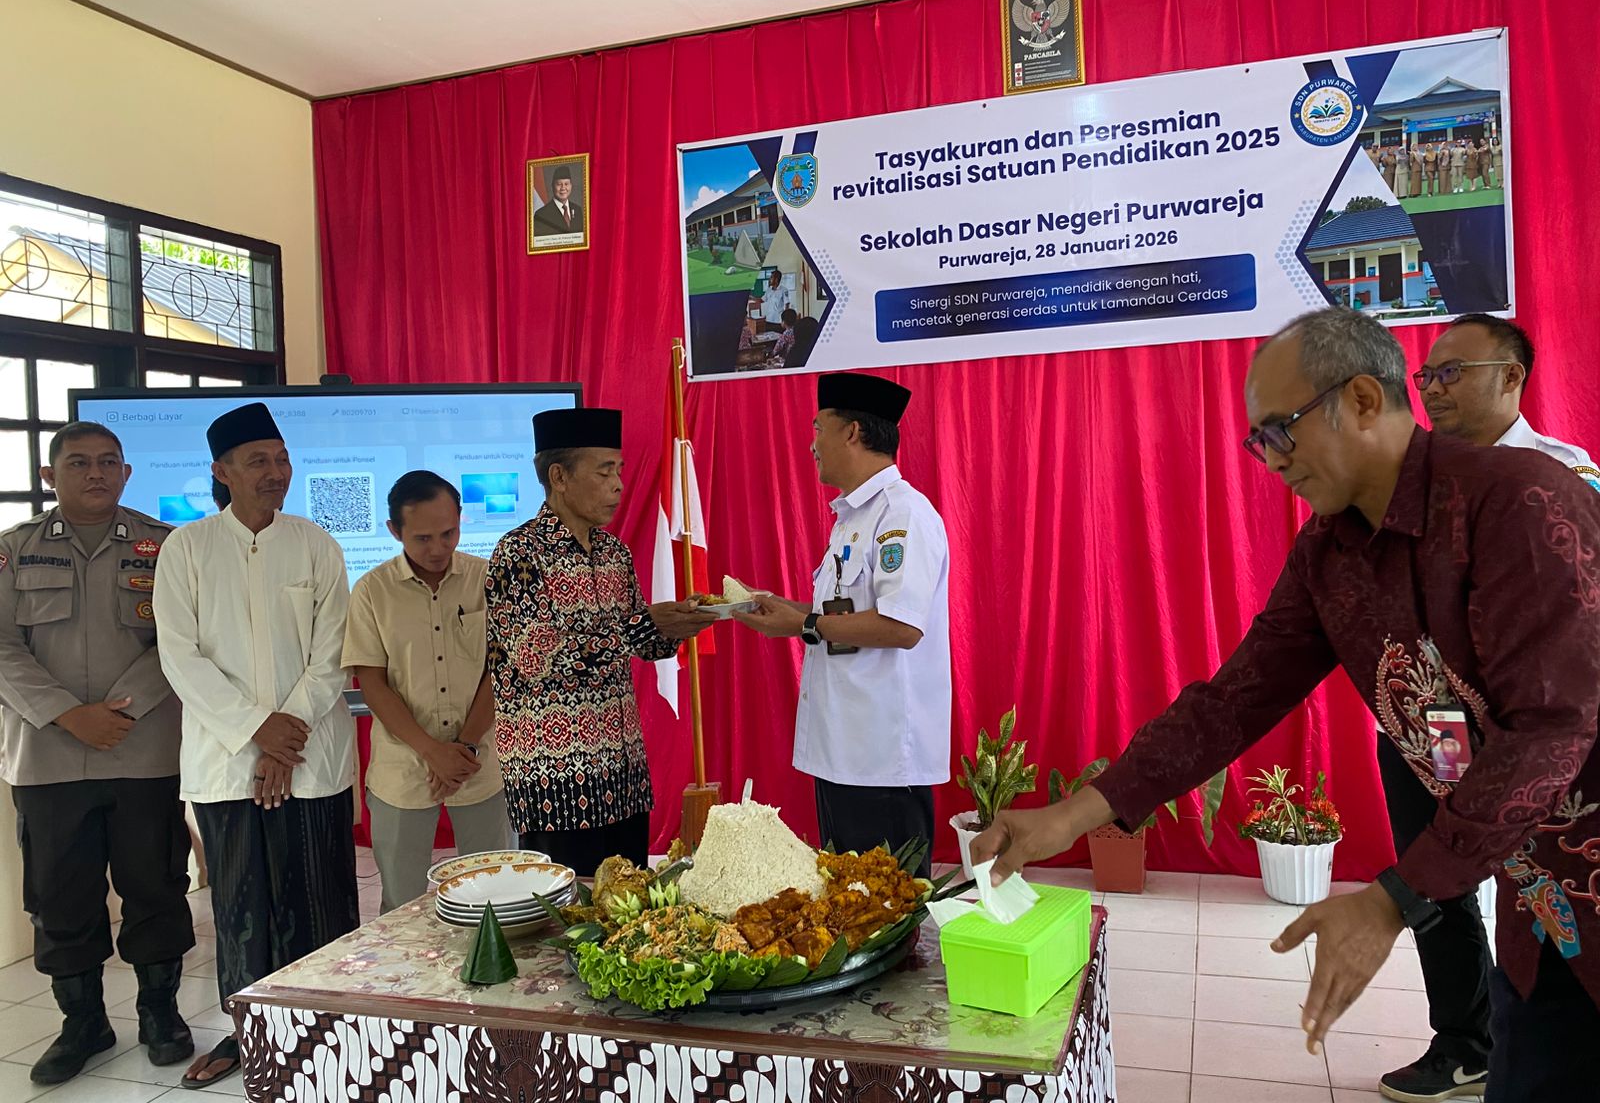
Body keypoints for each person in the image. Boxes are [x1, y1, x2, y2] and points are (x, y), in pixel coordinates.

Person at [973, 308, 1600, 1102]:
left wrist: (1392, 900)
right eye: (1257, 441)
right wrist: (1071, 815)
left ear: (1363, 400)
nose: (1270, 459)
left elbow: (1552, 728)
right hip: (1539, 905)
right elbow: (1234, 701)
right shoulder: (1328, 553)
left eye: (1280, 430)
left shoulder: (1519, 500)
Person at [153, 402, 359, 1089]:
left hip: (309, 759)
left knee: (321, 899)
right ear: (222, 471)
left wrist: (281, 739)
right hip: (226, 762)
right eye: (257, 461)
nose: (275, 472)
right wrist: (255, 731)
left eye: (281, 458)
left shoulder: (316, 544)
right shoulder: (187, 548)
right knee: (241, 908)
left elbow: (333, 653)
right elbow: (181, 656)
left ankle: (330, 1029)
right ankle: (248, 1035)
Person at [0, 422, 195, 1086]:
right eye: (79, 463)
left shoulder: (165, 547)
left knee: (155, 885)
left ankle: (160, 1012)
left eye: (109, 462)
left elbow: (180, 640)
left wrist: (121, 712)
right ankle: (82, 1022)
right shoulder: (13, 550)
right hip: (48, 756)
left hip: (143, 753)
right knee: (59, 896)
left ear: (127, 473)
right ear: (50, 475)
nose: (96, 473)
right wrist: (68, 714)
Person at [734, 373, 951, 877]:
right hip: (840, 751)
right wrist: (784, 611)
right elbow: (842, 615)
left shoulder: (902, 514)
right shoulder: (851, 518)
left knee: (887, 907)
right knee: (844, 902)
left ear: (852, 432)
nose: (812, 445)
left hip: (882, 759)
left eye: (818, 428)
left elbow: (901, 626)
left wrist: (804, 622)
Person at [486, 407, 713, 875]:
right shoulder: (519, 553)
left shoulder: (614, 552)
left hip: (623, 775)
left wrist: (681, 622)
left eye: (620, 471)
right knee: (570, 912)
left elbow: (644, 645)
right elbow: (537, 657)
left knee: (629, 903)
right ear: (559, 477)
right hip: (556, 779)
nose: (619, 485)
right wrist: (643, 626)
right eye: (604, 471)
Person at [343, 471, 507, 914]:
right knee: (402, 906)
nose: (438, 548)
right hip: (403, 772)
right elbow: (373, 684)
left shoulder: (487, 579)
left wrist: (464, 747)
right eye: (422, 538)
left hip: (479, 764)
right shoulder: (372, 591)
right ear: (394, 530)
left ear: (460, 520)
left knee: (493, 898)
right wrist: (433, 751)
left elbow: (500, 670)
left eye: (448, 533)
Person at [1419, 312, 1597, 486]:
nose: (1432, 388)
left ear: (1511, 377)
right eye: (1426, 375)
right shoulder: (1413, 466)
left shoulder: (1564, 470)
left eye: (1450, 371)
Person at [531, 166, 585, 238]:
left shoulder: (577, 210)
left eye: (566, 184)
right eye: (559, 184)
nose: (563, 188)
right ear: (553, 186)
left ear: (571, 186)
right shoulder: (541, 214)